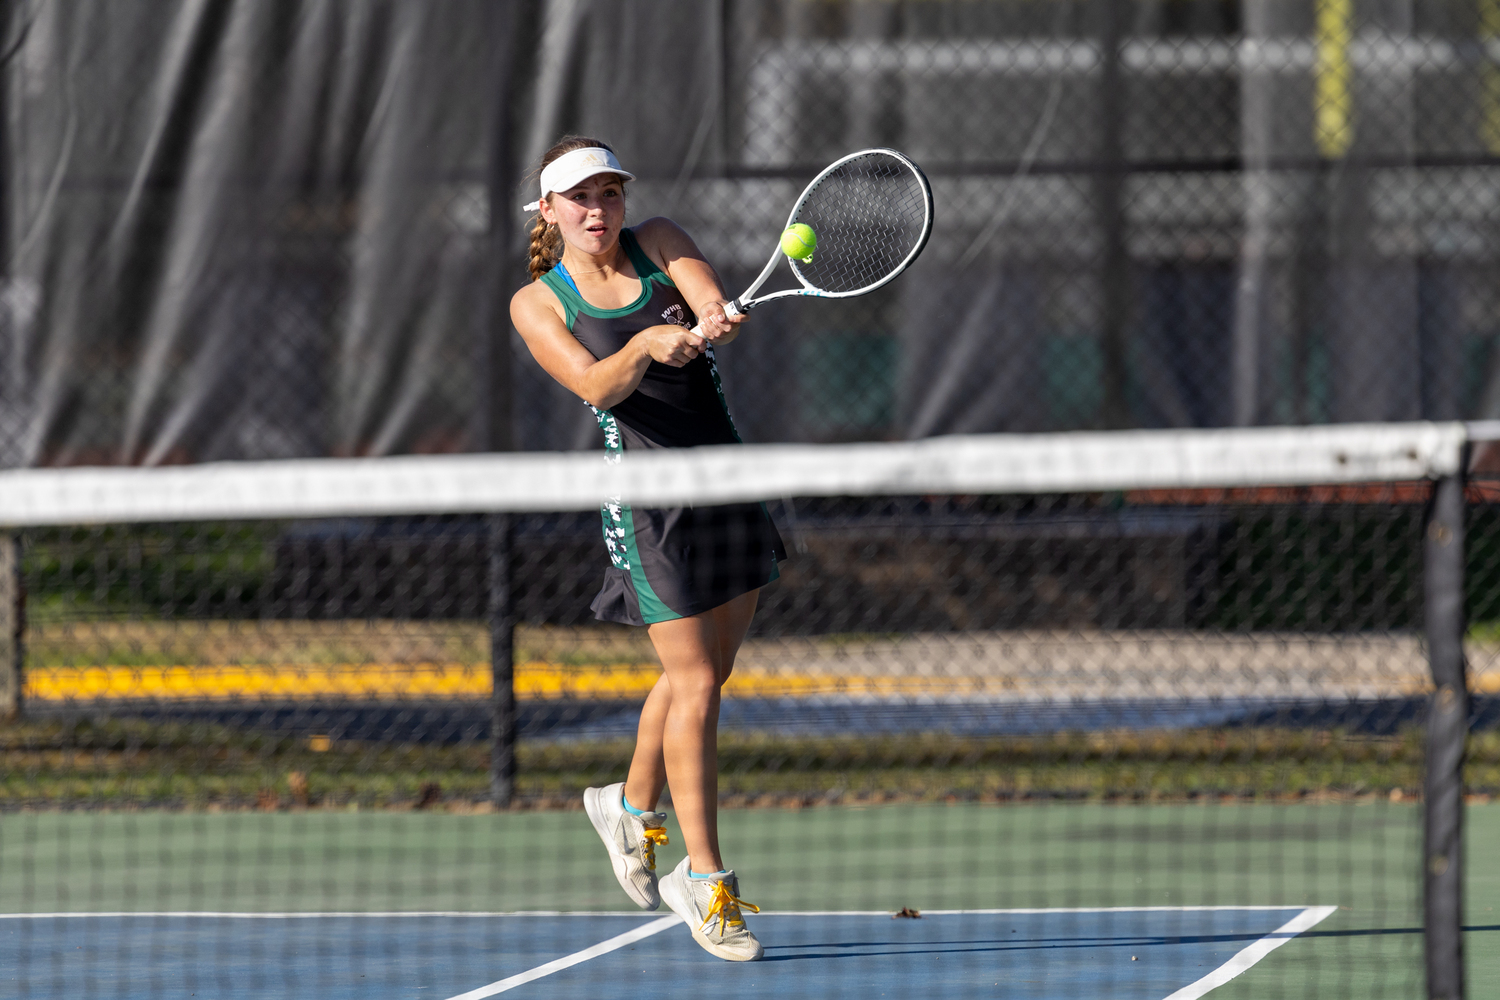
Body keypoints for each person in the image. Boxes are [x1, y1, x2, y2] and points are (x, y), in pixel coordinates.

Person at [509, 136, 785, 963]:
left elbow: (704, 295)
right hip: (650, 504)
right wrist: (640, 346)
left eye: (609, 195)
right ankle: (706, 882)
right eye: (580, 198)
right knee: (696, 680)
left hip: (725, 480)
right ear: (550, 212)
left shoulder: (659, 238)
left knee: (705, 672)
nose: (599, 211)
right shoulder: (538, 302)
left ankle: (630, 807)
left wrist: (710, 320)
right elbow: (595, 387)